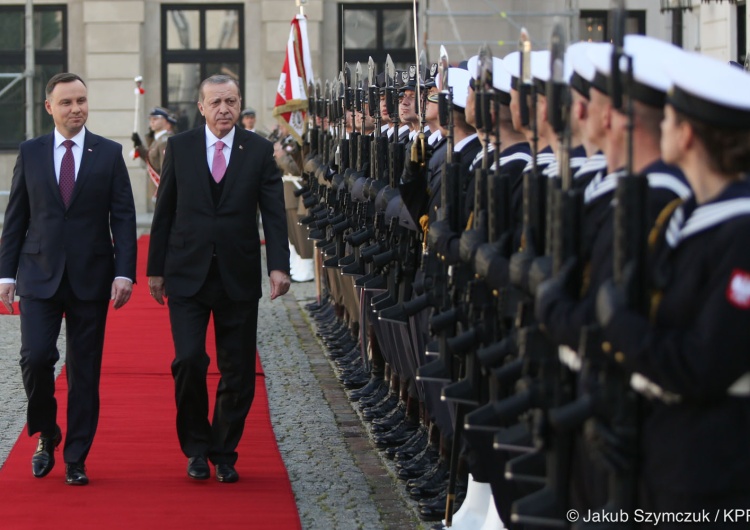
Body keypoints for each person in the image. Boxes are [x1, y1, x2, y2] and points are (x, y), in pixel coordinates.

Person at [595, 51, 750, 527]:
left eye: (671, 118)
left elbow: (702, 363)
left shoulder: (739, 233)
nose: (660, 126)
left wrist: (621, 326)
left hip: (712, 470)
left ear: (685, 135)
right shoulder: (684, 220)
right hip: (667, 454)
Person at [146, 74, 291, 483]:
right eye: (216, 102)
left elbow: (274, 213)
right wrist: (155, 269)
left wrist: (277, 265)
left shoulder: (259, 150)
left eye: (231, 101)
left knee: (238, 370)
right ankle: (195, 447)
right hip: (187, 275)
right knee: (189, 360)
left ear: (239, 102)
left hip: (238, 275)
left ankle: (224, 449)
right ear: (202, 106)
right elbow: (165, 211)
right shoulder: (180, 147)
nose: (224, 109)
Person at [0, 72, 137, 486]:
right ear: (50, 108)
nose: (76, 108)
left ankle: (76, 457)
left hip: (90, 278)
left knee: (84, 372)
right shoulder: (31, 151)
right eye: (67, 102)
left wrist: (124, 272)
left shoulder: (109, 153)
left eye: (81, 100)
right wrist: (5, 275)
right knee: (36, 357)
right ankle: (47, 432)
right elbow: (16, 218)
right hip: (38, 275)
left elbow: (125, 217)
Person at [132, 107, 176, 206]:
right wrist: (139, 145)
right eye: (151, 119)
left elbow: (166, 169)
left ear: (167, 122)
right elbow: (152, 160)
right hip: (157, 190)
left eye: (155, 119)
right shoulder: (158, 140)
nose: (152, 121)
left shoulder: (165, 141)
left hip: (162, 191)